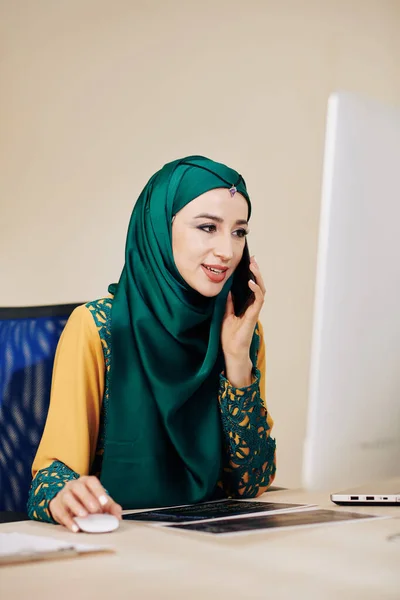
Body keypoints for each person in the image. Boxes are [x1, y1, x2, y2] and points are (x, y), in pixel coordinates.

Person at [27, 156, 276, 532]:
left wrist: (238, 357)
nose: (227, 251)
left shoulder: (239, 331)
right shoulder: (98, 329)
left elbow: (252, 481)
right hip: (120, 545)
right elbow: (49, 480)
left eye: (239, 232)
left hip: (215, 548)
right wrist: (64, 494)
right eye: (208, 227)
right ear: (161, 227)